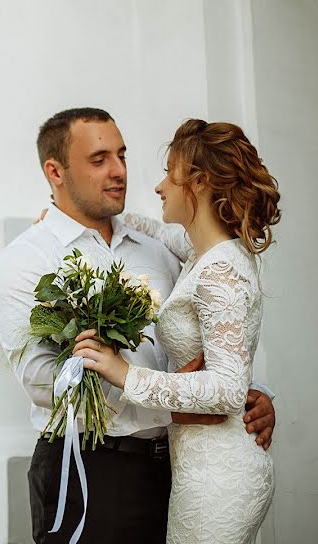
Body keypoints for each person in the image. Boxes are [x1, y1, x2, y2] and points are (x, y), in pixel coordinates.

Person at [0, 108, 276, 544]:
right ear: (55, 171)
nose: (119, 170)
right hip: (90, 471)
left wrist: (252, 398)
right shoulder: (26, 260)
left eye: (121, 155)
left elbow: (213, 335)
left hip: (178, 470)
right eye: (99, 159)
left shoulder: (161, 250)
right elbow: (42, 380)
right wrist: (176, 406)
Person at [72, 118, 278, 543]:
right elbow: (159, 230)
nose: (159, 186)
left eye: (170, 172)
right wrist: (70, 214)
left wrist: (124, 374)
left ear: (199, 182)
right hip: (198, 466)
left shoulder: (220, 268)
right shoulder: (204, 252)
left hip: (218, 478)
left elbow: (226, 390)